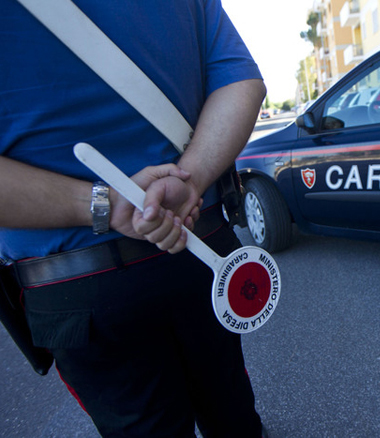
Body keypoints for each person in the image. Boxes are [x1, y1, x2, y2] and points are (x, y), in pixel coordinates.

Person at [0, 0, 267, 437]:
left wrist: (102, 205)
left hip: (77, 287)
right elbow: (243, 82)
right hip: (201, 246)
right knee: (234, 416)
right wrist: (191, 179)